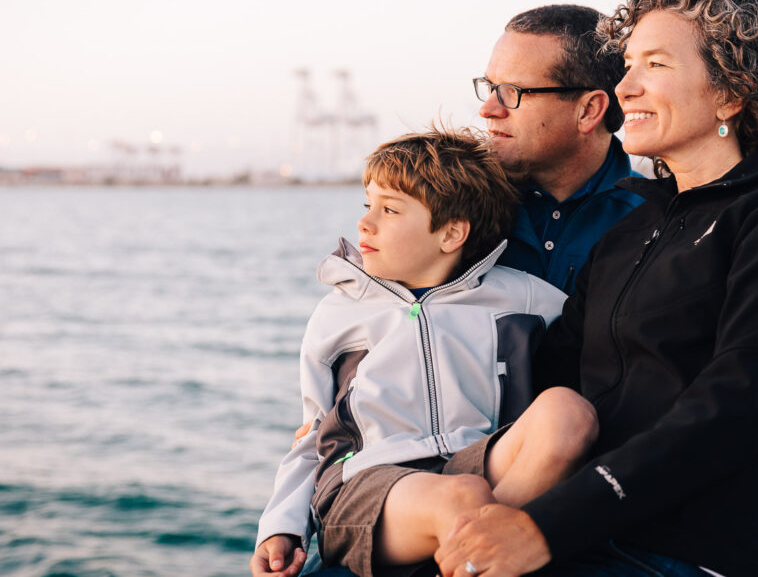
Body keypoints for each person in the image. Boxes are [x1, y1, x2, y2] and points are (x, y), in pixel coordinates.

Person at [434, 0, 758, 577]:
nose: (625, 88)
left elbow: (737, 405)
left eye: (655, 65)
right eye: (628, 65)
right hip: (588, 538)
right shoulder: (635, 227)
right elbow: (548, 378)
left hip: (690, 555)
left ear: (731, 90)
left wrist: (544, 527)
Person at [251, 128, 598, 577]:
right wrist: (281, 526)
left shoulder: (522, 298)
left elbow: (600, 343)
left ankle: (472, 555)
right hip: (368, 482)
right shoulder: (338, 313)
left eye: (390, 210)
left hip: (475, 459)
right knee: (463, 497)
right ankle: (481, 552)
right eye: (367, 206)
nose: (365, 223)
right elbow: (313, 435)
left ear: (451, 233)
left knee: (568, 413)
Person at [476, 5, 645, 293]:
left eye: (512, 91)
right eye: (490, 87)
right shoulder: (459, 204)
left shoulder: (655, 222)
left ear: (589, 110)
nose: (488, 109)